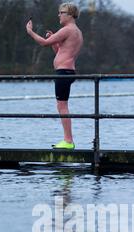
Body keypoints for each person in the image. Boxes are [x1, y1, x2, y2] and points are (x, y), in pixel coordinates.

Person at [26, 3, 83, 149]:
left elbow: (44, 43)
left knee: (62, 106)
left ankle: (68, 141)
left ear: (70, 14)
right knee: (62, 105)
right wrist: (54, 42)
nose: (59, 15)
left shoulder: (67, 30)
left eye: (61, 12)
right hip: (67, 71)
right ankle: (67, 140)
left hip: (64, 73)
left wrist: (30, 32)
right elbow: (61, 52)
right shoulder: (76, 31)